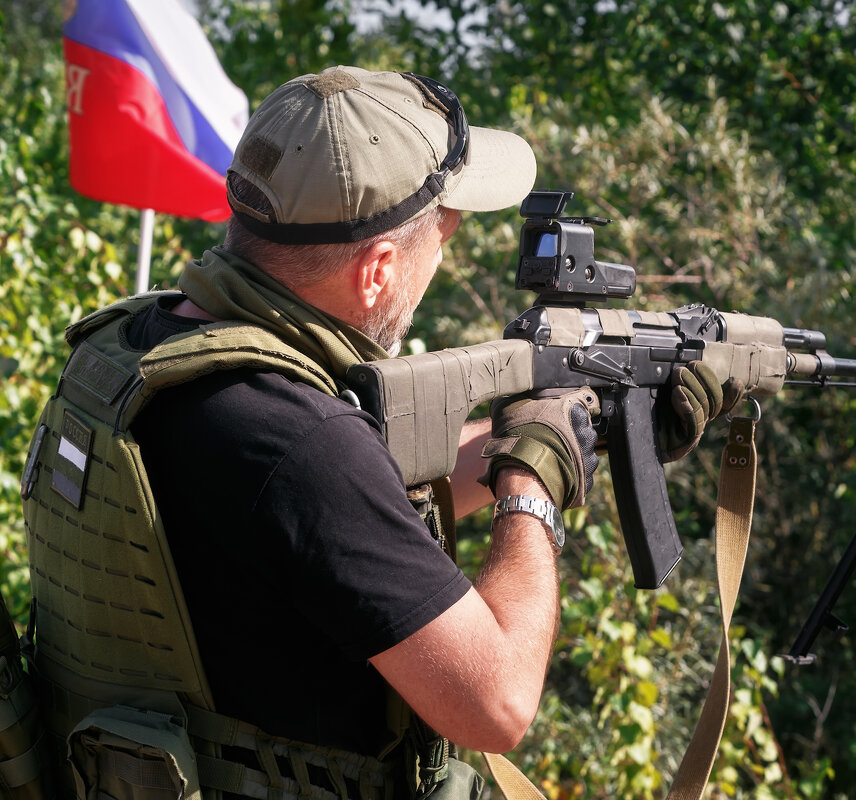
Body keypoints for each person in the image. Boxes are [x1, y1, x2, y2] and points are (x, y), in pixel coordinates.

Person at [20, 66, 735, 800]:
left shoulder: (133, 350)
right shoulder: (299, 440)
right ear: (377, 269)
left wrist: (586, 429)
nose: (446, 255)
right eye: (445, 234)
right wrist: (531, 483)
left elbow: (341, 525)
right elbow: (497, 703)